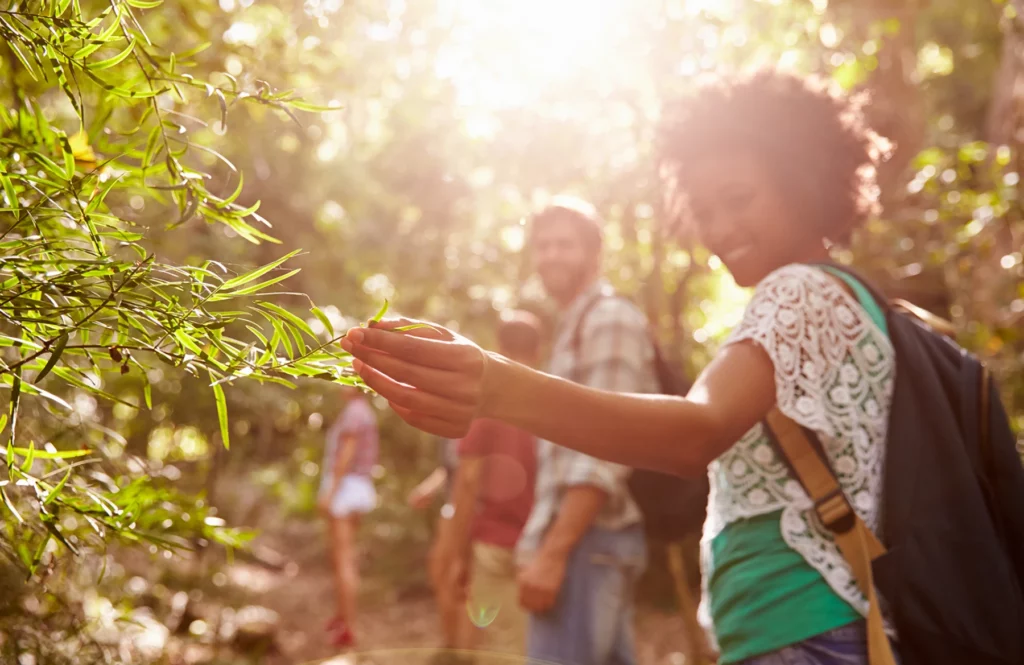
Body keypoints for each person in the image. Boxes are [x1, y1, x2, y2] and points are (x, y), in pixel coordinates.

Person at [341, 69, 900, 665]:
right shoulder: (824, 299)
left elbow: (696, 431)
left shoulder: (799, 292)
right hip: (792, 629)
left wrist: (494, 384)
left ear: (804, 182)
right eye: (705, 210)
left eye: (739, 200)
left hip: (808, 630)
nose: (719, 229)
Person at [431, 310, 543, 660]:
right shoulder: (555, 401)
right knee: (525, 640)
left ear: (496, 347)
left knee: (491, 641)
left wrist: (456, 553)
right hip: (543, 544)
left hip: (494, 543)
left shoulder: (490, 402)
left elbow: (468, 481)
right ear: (540, 351)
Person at [318, 384, 380, 649]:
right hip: (356, 486)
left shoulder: (355, 413)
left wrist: (330, 493)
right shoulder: (361, 411)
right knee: (343, 556)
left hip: (346, 489)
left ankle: (349, 627)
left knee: (344, 559)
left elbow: (346, 453)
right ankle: (342, 617)